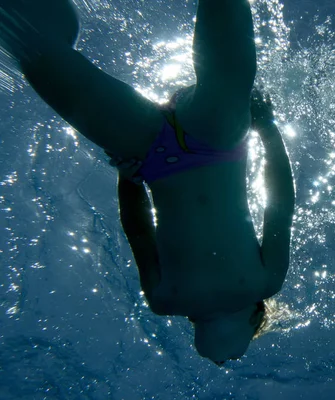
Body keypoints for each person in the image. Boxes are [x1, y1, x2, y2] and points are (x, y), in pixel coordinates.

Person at [0, 0, 295, 365]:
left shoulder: (200, 294)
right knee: (37, 57)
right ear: (255, 317)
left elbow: (280, 204)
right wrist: (129, 177)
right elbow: (138, 228)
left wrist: (265, 127)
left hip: (196, 145)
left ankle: (30, 36)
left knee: (230, 75)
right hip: (183, 150)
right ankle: (31, 38)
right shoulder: (188, 297)